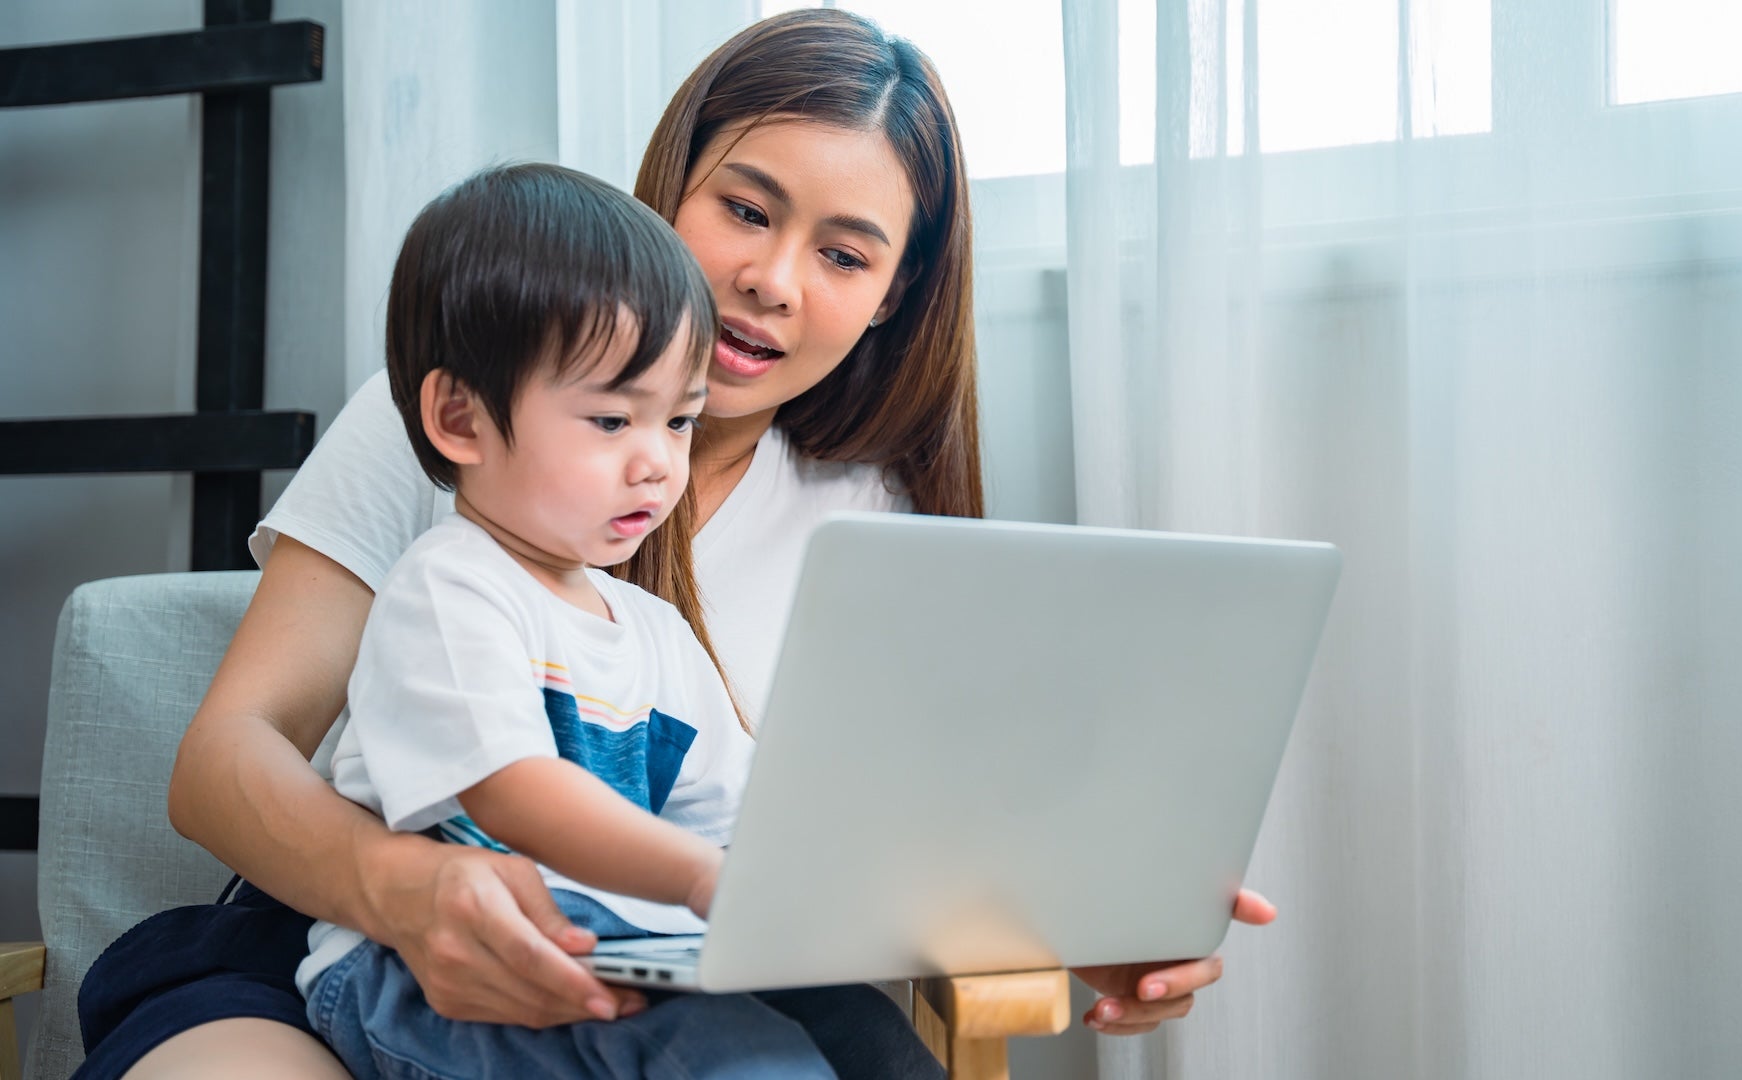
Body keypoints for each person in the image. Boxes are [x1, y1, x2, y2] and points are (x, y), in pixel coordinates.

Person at [82, 10, 1275, 1079]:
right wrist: (408, 894)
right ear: (670, 188)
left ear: (894, 297)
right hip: (339, 941)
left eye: (844, 255)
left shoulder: (866, 518)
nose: (769, 280)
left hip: (666, 982)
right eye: (745, 210)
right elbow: (224, 760)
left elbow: (869, 843)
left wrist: (1104, 900)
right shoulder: (459, 416)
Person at [296, 160, 923, 1079]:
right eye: (610, 421)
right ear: (460, 418)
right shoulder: (447, 589)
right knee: (747, 1063)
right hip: (412, 978)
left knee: (827, 1044)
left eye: (677, 422)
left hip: (603, 947)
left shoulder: (652, 631)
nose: (657, 466)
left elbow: (742, 809)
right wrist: (703, 880)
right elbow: (518, 794)